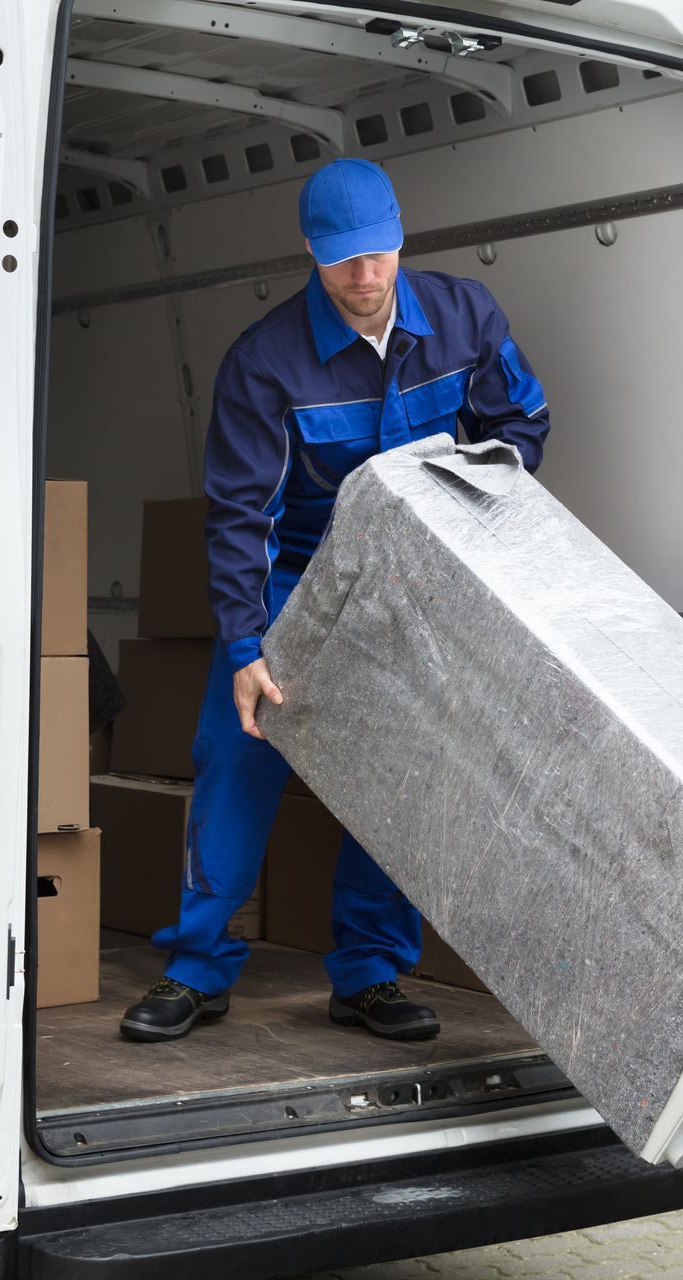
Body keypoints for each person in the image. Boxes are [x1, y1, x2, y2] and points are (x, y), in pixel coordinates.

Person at [121, 158, 552, 1044]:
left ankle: (368, 975)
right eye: (343, 260)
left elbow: (522, 426)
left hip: (415, 579)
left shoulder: (466, 318)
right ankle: (197, 970)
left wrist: (476, 486)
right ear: (313, 255)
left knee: (401, 773)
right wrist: (246, 649)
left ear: (401, 237)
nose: (364, 277)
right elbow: (243, 517)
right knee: (238, 758)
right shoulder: (266, 363)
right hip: (297, 582)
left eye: (378, 254)